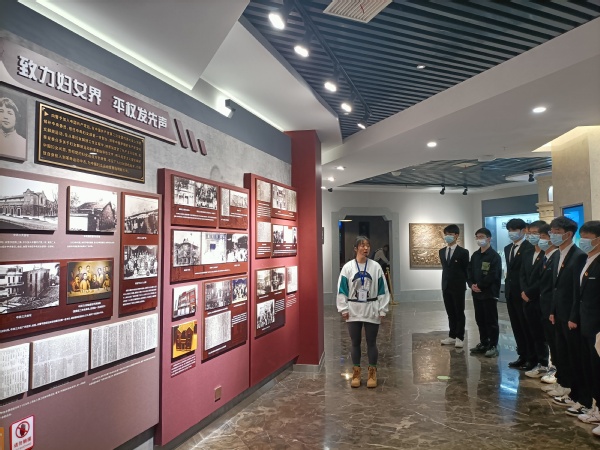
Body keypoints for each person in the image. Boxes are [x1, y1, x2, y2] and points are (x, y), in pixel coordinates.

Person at [546, 216, 590, 412]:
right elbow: (555, 287)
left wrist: (573, 316)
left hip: (571, 316)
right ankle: (568, 388)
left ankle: (578, 395)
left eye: (557, 232)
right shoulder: (557, 254)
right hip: (559, 313)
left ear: (569, 234)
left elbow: (576, 291)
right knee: (562, 353)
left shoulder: (578, 256)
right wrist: (553, 311)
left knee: (574, 356)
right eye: (552, 232)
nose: (553, 235)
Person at [337, 235, 390, 389]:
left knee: (371, 342)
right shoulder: (348, 267)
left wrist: (382, 308)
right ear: (356, 248)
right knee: (355, 342)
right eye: (362, 245)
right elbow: (342, 289)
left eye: (367, 245)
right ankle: (356, 372)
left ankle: (372, 372)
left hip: (371, 307)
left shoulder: (375, 267)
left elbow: (382, 288)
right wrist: (343, 308)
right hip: (353, 309)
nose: (365, 248)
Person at [575, 221, 600, 434]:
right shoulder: (588, 260)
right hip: (587, 324)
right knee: (592, 368)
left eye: (587, 237)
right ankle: (596, 408)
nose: (582, 241)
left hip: (597, 327)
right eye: (581, 236)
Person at [520, 221, 550, 378]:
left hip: (540, 299)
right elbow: (522, 275)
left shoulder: (548, 254)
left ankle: (545, 363)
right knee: (533, 333)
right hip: (527, 299)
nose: (532, 236)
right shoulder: (527, 252)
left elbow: (543, 279)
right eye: (529, 233)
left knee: (543, 335)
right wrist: (524, 291)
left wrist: (530, 292)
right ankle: (536, 361)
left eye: (535, 233)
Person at [504, 218, 535, 370]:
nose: (512, 233)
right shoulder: (508, 248)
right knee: (516, 326)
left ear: (523, 231)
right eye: (509, 230)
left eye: (515, 230)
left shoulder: (530, 247)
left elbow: (528, 273)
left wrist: (527, 290)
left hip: (523, 293)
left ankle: (532, 357)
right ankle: (522, 355)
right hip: (511, 293)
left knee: (527, 327)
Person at [468, 227, 502, 358]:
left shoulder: (494, 256)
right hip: (476, 293)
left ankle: (493, 345)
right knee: (480, 319)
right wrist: (471, 284)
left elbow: (493, 275)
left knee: (491, 320)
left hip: (489, 293)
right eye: (477, 237)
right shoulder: (475, 255)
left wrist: (480, 285)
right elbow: (469, 272)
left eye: (481, 237)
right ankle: (484, 342)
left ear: (489, 238)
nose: (479, 239)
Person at [438, 224, 470, 348]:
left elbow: (466, 270)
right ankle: (451, 336)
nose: (448, 237)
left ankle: (460, 337)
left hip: (458, 287)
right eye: (446, 234)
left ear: (456, 236)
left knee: (459, 312)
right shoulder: (441, 251)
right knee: (450, 312)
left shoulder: (463, 252)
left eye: (450, 234)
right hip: (446, 286)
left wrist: (470, 283)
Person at [537, 224, 560, 385]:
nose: (541, 240)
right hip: (542, 305)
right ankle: (546, 365)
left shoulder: (557, 256)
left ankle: (556, 370)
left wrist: (552, 309)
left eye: (544, 237)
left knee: (555, 341)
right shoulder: (544, 257)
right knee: (545, 338)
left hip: (553, 307)